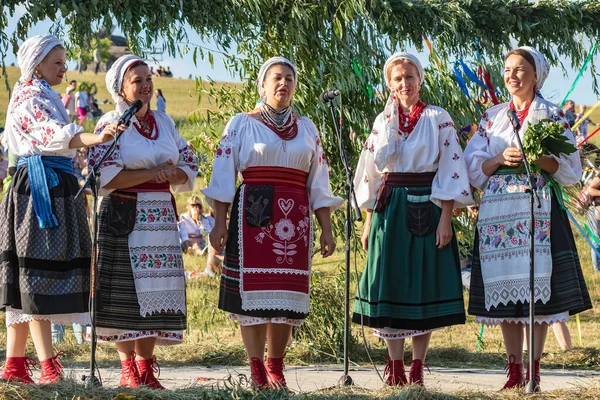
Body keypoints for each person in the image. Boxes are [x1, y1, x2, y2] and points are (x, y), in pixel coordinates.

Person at [202, 56, 342, 389]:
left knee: (285, 299)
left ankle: (275, 367)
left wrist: (326, 228)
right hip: (253, 215)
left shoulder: (307, 128)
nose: (283, 83)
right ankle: (255, 369)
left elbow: (318, 182)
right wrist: (219, 224)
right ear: (262, 86)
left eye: (289, 79)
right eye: (276, 78)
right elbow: (222, 177)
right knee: (251, 298)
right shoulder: (240, 124)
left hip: (295, 221)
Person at [464, 46, 592, 390]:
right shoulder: (492, 118)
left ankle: (534, 371)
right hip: (499, 213)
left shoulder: (551, 116)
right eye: (507, 69)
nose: (512, 76)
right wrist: (498, 159)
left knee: (539, 293)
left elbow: (569, 171)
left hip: (538, 210)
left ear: (537, 76)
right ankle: (514, 371)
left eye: (520, 69)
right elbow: (472, 167)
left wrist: (538, 158)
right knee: (505, 292)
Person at [0, 34, 120, 384]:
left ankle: (15, 365)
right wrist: (95, 138)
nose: (63, 67)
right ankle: (49, 366)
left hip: (52, 185)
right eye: (57, 62)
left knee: (31, 277)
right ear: (37, 63)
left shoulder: (43, 92)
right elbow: (54, 135)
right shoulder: (29, 96)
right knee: (37, 277)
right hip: (39, 191)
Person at [352, 52, 474, 387]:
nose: (404, 84)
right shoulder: (382, 121)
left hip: (429, 204)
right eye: (397, 79)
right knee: (389, 281)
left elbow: (450, 168)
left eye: (410, 77)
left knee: (423, 286)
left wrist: (446, 219)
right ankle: (395, 366)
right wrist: (368, 222)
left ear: (420, 79)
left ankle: (418, 366)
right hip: (389, 208)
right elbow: (371, 175)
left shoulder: (438, 117)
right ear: (389, 84)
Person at [86, 54, 198, 390]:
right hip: (123, 214)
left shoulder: (164, 122)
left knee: (156, 287)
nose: (146, 85)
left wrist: (166, 173)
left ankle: (146, 368)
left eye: (148, 78)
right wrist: (153, 172)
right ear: (120, 88)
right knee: (125, 292)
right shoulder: (109, 123)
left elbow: (189, 161)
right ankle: (126, 369)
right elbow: (104, 174)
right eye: (138, 80)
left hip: (160, 215)